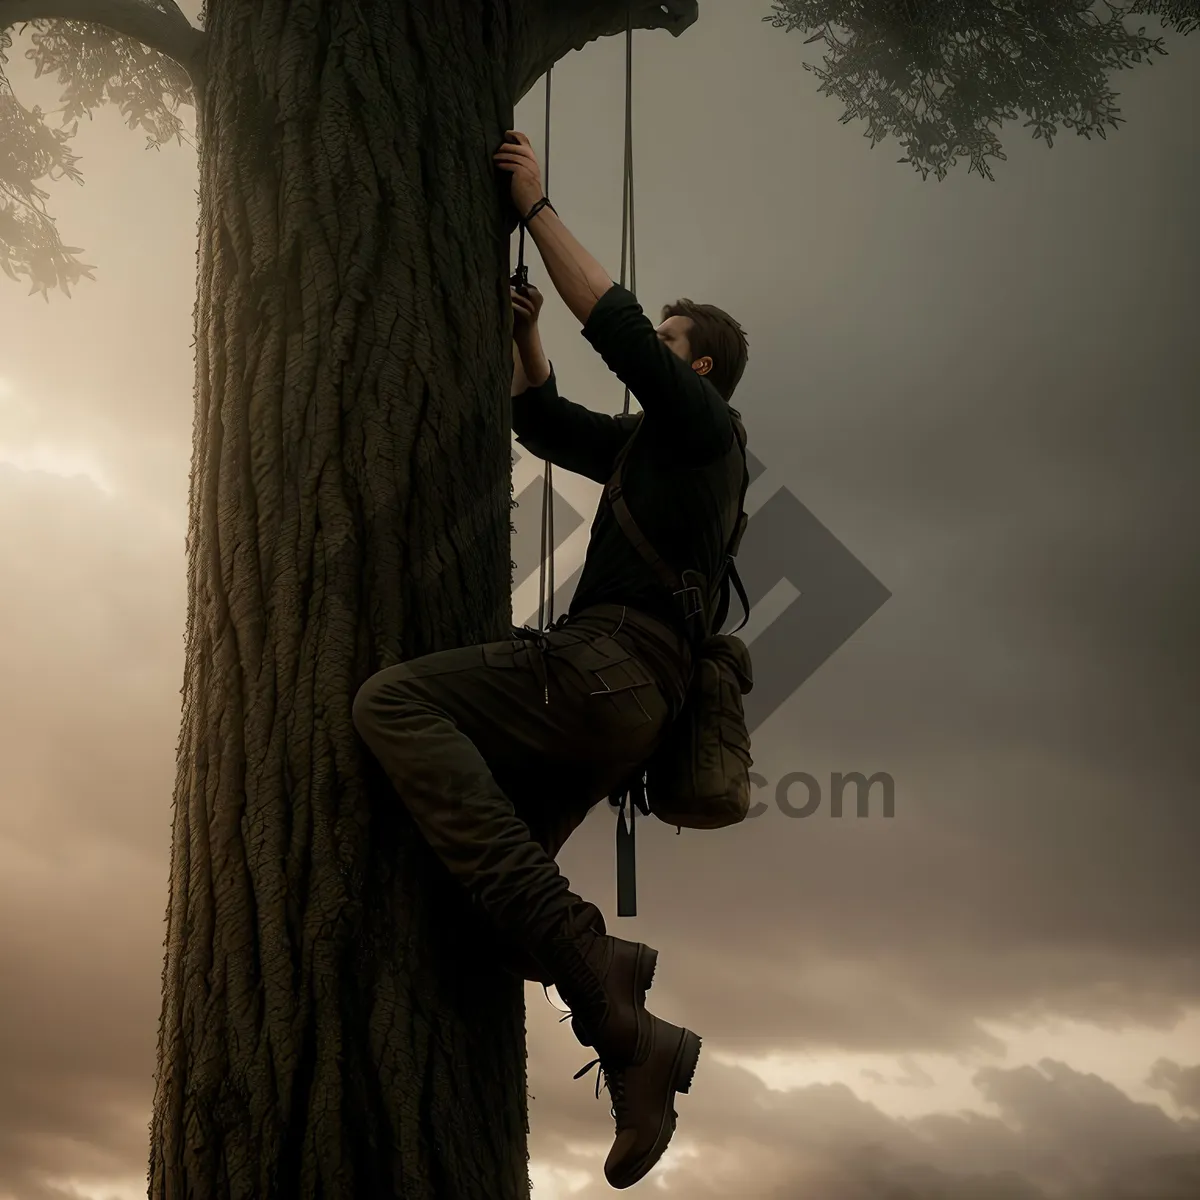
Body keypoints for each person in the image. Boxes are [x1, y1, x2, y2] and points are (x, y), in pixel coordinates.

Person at [351, 129, 750, 1190]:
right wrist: (525, 338)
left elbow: (614, 325)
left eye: (667, 341)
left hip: (610, 674)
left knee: (394, 704)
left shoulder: (706, 430)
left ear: (698, 367)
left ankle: (603, 962)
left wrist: (534, 207)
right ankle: (637, 1048)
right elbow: (541, 423)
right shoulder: (646, 452)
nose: (648, 349)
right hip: (623, 714)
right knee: (486, 895)